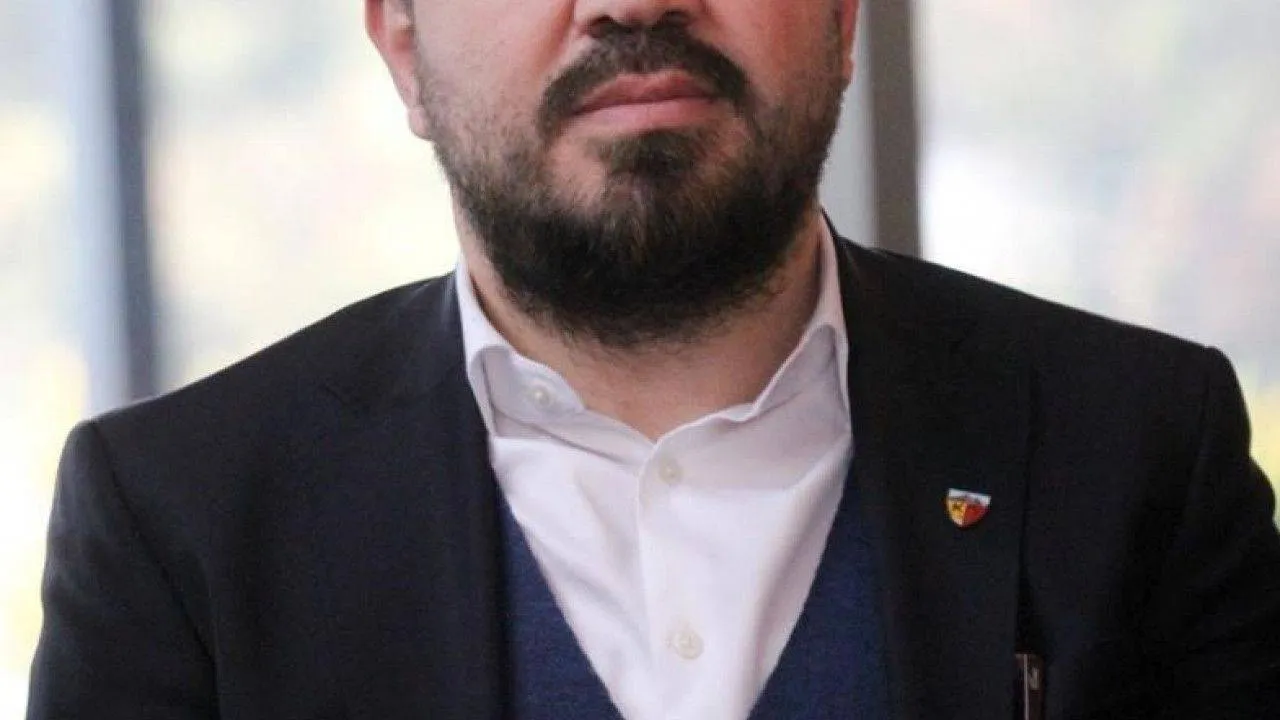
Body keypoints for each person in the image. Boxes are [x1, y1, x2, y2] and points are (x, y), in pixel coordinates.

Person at [27, 0, 1280, 717]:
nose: (631, 3)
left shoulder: (1137, 454)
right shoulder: (178, 525)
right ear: (402, 45)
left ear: (843, 18)